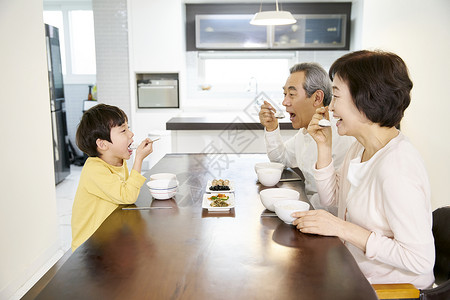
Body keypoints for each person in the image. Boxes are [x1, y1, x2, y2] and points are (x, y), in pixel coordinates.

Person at [292, 50, 435, 288]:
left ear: (365, 99)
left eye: (336, 96)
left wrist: (342, 228)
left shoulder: (397, 168)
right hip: (354, 273)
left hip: (391, 291)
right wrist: (324, 147)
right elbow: (332, 199)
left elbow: (420, 260)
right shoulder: (360, 147)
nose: (330, 106)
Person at [259, 62, 354, 209]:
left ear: (317, 98)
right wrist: (272, 128)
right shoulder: (305, 131)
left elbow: (338, 202)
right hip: (310, 210)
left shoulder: (339, 133)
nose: (284, 102)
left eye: (291, 94)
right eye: (285, 94)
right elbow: (281, 159)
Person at [71, 104, 154, 251]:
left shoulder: (118, 161)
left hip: (110, 238)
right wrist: (139, 159)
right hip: (89, 247)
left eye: (128, 128)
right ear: (102, 144)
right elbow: (127, 196)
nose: (131, 134)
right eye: (123, 130)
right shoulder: (94, 170)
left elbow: (124, 194)